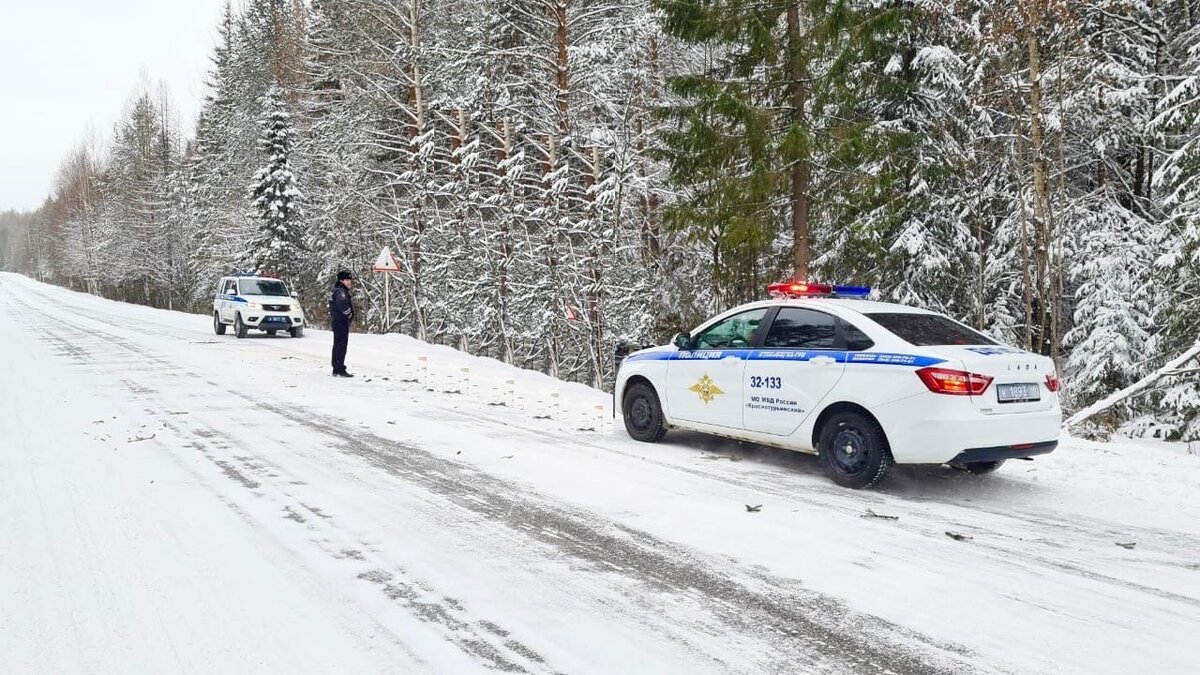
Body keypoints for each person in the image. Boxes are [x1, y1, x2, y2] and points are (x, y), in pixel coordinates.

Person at [329, 270, 355, 377]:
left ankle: (336, 367)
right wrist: (349, 314)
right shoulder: (340, 292)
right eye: (347, 280)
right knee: (341, 345)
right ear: (341, 280)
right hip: (341, 321)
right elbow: (342, 305)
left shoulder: (336, 290)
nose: (349, 282)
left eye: (350, 280)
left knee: (337, 344)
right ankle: (339, 368)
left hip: (337, 321)